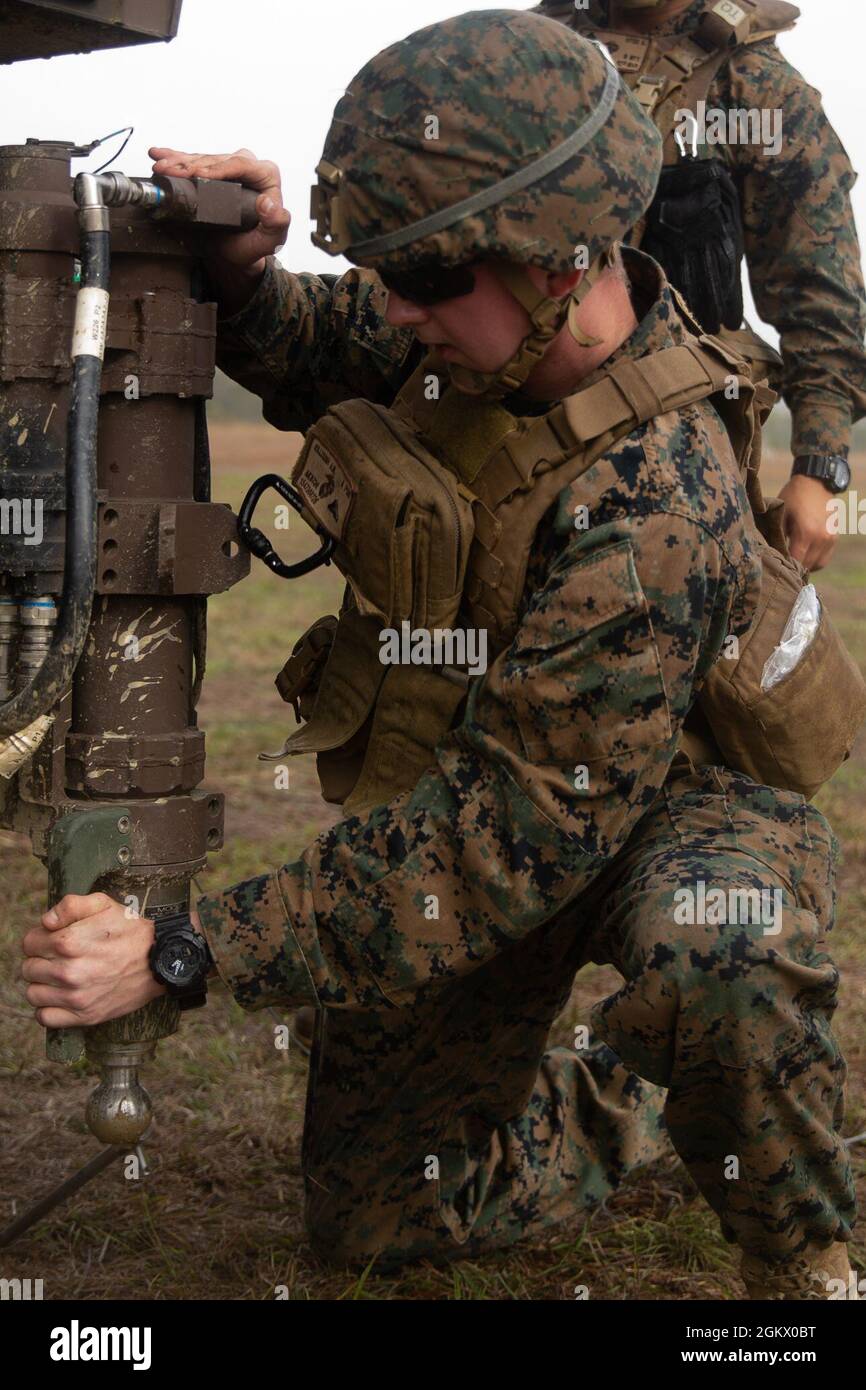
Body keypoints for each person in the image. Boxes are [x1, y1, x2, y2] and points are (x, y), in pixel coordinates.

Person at [19, 9, 858, 1298]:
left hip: (670, 811)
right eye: (391, 271)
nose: (396, 307)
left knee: (719, 956)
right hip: (506, 789)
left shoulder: (654, 503)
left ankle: (799, 1250)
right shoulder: (473, 313)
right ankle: (617, 1095)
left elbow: (495, 840)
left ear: (557, 265)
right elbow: (324, 338)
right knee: (374, 1223)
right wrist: (245, 271)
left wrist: (184, 948)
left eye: (425, 280)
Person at [536, 0, 866, 572]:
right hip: (509, 421)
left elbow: (817, 291)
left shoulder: (757, 87)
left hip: (675, 459)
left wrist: (818, 469)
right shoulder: (522, 53)